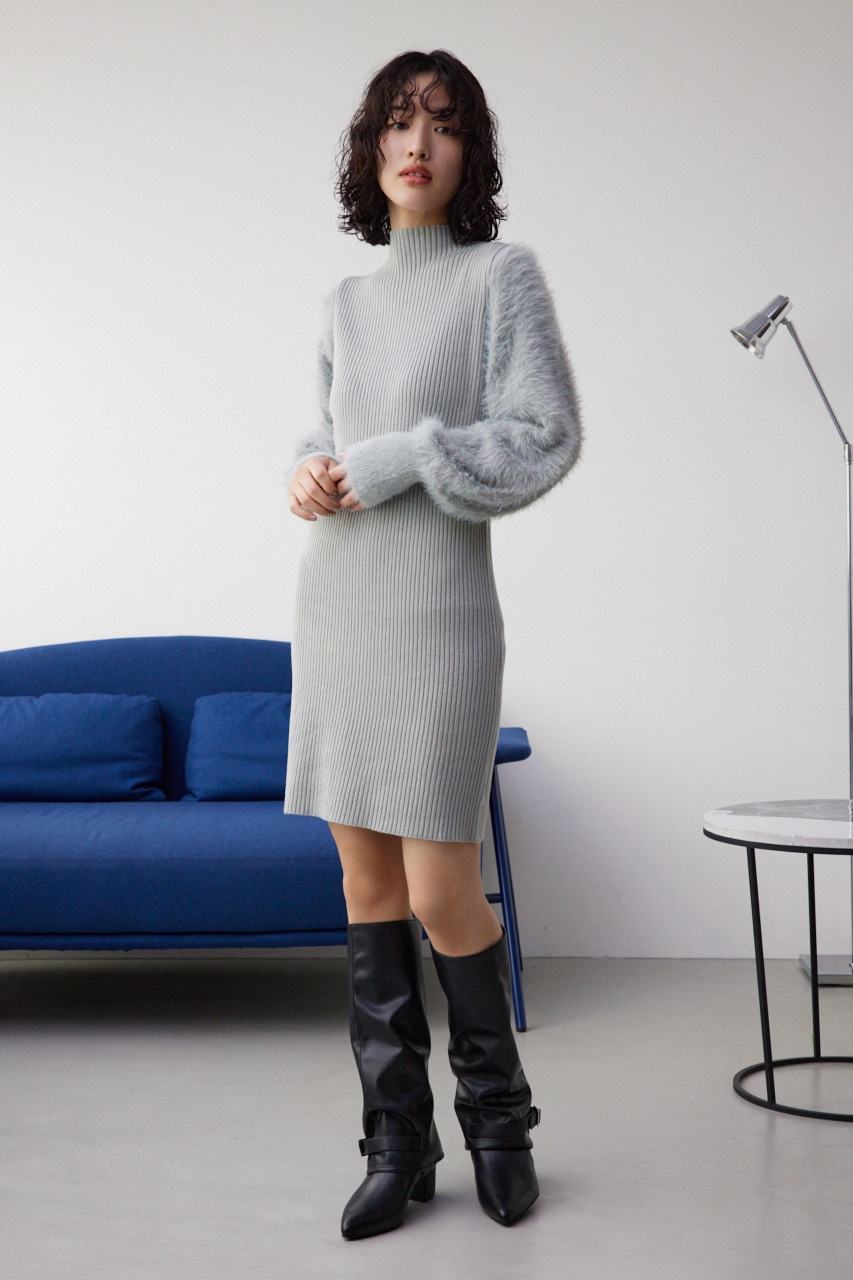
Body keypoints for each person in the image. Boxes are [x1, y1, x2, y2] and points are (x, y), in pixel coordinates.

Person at [284, 48, 581, 1240]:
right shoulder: (341, 302)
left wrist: (407, 455)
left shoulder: (499, 276)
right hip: (338, 609)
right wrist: (305, 470)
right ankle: (395, 1142)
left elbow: (544, 433)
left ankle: (501, 1125)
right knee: (365, 886)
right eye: (398, 122)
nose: (418, 143)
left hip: (440, 615)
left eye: (443, 124)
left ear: (471, 152)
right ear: (371, 148)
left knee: (442, 886)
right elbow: (323, 429)